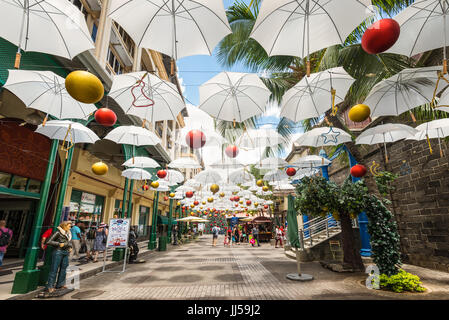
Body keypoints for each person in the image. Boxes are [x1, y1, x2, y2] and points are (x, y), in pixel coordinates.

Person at [45, 221, 73, 294]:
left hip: (65, 252)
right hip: (58, 251)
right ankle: (50, 286)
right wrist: (58, 244)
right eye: (69, 226)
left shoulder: (68, 234)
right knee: (54, 269)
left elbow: (67, 243)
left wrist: (70, 247)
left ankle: (60, 284)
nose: (70, 228)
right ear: (64, 226)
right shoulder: (58, 233)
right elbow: (48, 241)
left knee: (64, 268)